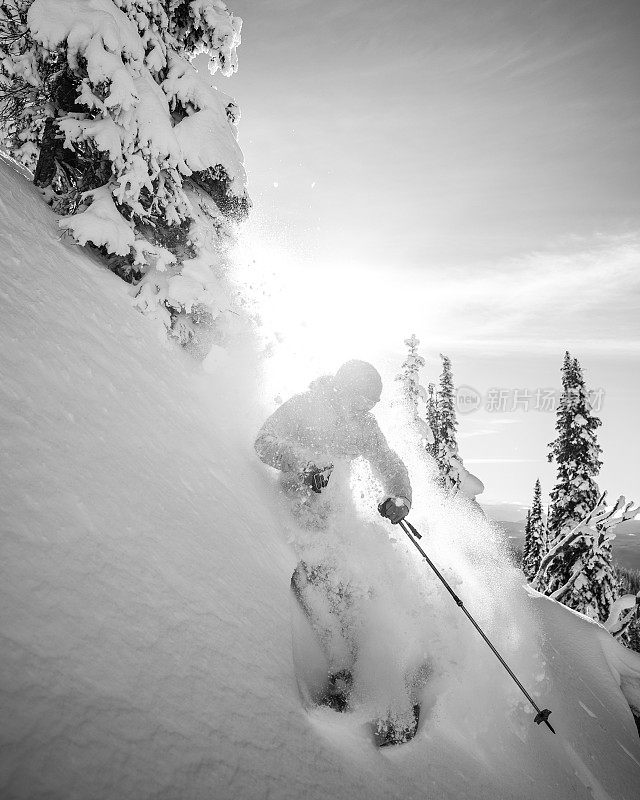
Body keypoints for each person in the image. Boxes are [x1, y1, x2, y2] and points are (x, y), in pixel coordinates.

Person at [255, 360, 419, 742]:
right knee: (319, 587)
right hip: (298, 517)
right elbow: (264, 442)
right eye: (362, 399)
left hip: (340, 522)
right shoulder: (304, 406)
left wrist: (399, 497)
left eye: (372, 404)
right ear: (344, 386)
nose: (366, 410)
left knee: (362, 592)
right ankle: (343, 678)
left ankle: (388, 690)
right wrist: (304, 464)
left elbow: (391, 465)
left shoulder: (364, 428)